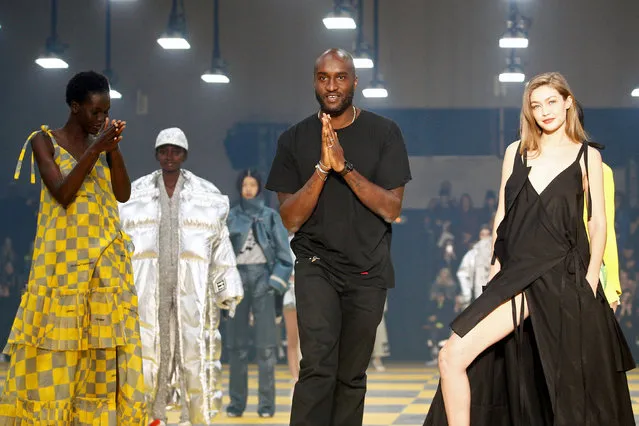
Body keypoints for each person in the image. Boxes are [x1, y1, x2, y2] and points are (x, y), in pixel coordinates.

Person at [424, 72, 635, 426]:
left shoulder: (587, 157)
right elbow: (502, 217)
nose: (545, 111)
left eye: (552, 101)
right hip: (516, 274)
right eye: (536, 106)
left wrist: (589, 283)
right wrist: (494, 272)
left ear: (568, 102)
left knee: (569, 388)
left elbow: (598, 223)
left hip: (564, 277)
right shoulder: (517, 152)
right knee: (452, 356)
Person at [266, 48, 411, 426]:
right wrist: (321, 168)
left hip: (368, 270)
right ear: (314, 81)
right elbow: (290, 218)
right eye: (323, 77)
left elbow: (391, 208)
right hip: (316, 265)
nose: (332, 86)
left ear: (354, 81)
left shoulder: (384, 133)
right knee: (317, 367)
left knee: (351, 375)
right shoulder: (293, 140)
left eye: (340, 77)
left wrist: (344, 167)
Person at [0, 71, 147, 424]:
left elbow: (123, 194)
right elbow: (63, 193)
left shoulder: (103, 145)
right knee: (59, 346)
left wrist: (114, 149)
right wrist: (98, 148)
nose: (101, 119)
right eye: (95, 112)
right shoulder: (44, 140)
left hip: (105, 263)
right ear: (75, 106)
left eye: (106, 112)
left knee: (100, 348)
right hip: (62, 266)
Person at [119, 127, 243, 426]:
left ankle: (194, 417)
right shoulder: (135, 194)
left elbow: (219, 245)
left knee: (194, 349)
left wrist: (226, 289)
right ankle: (152, 415)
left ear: (184, 155)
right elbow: (121, 245)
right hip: (150, 288)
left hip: (193, 288)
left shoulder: (206, 194)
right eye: (164, 150)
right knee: (150, 350)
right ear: (156, 154)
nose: (169, 156)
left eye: (175, 151)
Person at [225, 169, 293, 418]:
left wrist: (274, 284)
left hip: (263, 278)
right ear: (240, 187)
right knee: (236, 346)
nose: (249, 188)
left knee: (266, 347)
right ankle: (236, 405)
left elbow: (285, 258)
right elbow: (221, 256)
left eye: (253, 184)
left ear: (259, 188)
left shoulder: (270, 216)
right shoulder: (230, 216)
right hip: (236, 279)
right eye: (245, 184)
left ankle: (266, 406)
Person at [574, 101, 622, 311]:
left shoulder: (599, 169)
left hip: (585, 268)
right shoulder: (535, 168)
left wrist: (611, 285)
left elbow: (605, 228)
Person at [282, 232, 301, 398]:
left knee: (312, 338)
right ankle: (296, 378)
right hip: (290, 290)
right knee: (292, 338)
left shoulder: (311, 236)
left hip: (310, 290)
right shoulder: (284, 240)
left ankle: (307, 377)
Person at [456, 224, 492, 310]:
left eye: (487, 234)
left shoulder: (497, 253)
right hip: (476, 295)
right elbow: (462, 273)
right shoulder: (472, 254)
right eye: (483, 235)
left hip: (493, 293)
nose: (485, 237)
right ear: (479, 236)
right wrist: (466, 294)